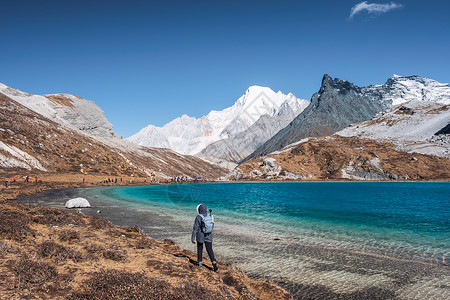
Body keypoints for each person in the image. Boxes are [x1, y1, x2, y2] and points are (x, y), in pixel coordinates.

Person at [191, 204, 218, 271]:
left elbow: (195, 228)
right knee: (209, 249)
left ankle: (200, 263)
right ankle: (214, 263)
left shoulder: (199, 217)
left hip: (201, 235)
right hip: (209, 234)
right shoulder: (210, 215)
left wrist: (193, 237)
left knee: (200, 248)